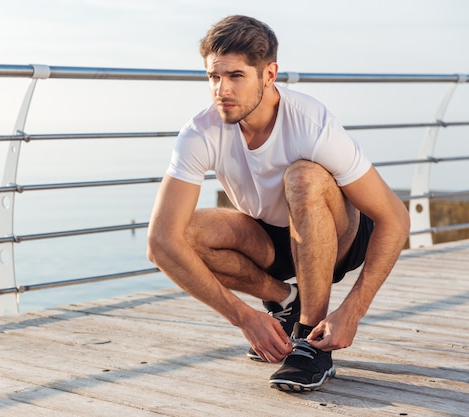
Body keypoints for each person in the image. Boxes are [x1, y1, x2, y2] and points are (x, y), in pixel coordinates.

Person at [146, 15, 410, 392]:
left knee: (303, 177)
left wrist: (352, 311)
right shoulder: (201, 131)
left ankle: (309, 340)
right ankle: (285, 301)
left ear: (269, 74)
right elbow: (160, 244)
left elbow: (394, 219)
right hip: (270, 239)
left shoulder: (311, 123)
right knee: (183, 234)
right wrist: (243, 316)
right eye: (213, 77)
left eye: (236, 76)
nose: (222, 89)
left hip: (339, 237)